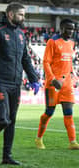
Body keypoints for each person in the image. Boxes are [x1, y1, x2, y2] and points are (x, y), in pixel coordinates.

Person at [0, 2, 40, 165]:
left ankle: (6, 156)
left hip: (16, 84)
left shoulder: (22, 35)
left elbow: (25, 59)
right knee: (2, 119)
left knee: (12, 120)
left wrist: (34, 78)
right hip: (1, 83)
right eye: (21, 14)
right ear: (10, 14)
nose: (23, 17)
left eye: (24, 15)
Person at [35, 18, 79, 150]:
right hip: (53, 84)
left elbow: (68, 62)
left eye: (72, 29)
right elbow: (46, 62)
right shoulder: (52, 41)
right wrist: (52, 78)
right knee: (49, 112)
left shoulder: (72, 43)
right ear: (61, 28)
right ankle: (39, 139)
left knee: (69, 113)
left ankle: (72, 142)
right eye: (68, 28)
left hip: (67, 84)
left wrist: (71, 74)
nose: (70, 31)